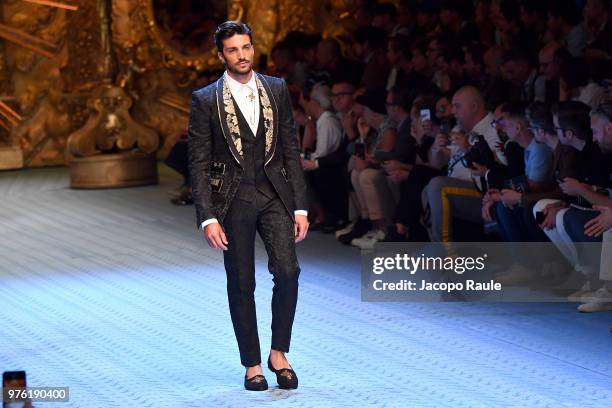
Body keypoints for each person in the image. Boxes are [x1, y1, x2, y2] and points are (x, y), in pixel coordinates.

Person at [187, 21, 309, 391]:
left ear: (253, 48)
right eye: (233, 50)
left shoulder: (277, 88)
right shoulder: (205, 99)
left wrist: (300, 207)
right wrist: (207, 216)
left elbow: (290, 148)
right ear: (221, 55)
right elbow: (199, 161)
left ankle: (279, 352)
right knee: (242, 282)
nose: (242, 55)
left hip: (275, 195)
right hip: (233, 199)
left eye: (246, 47)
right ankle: (252, 364)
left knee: (288, 272)